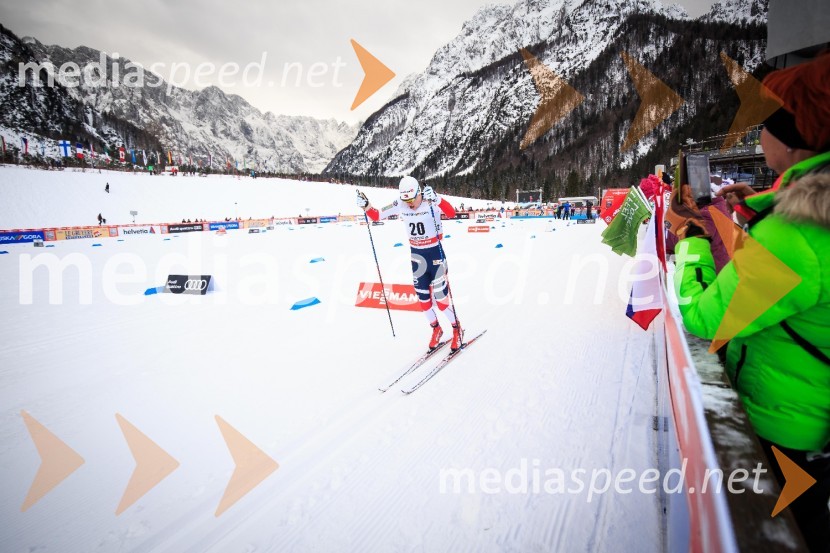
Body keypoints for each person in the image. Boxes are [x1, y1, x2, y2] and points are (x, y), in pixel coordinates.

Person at [670, 52, 830, 553]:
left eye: (767, 124)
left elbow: (704, 317)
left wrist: (692, 242)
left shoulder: (795, 234)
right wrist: (761, 204)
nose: (759, 134)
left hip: (783, 427)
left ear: (792, 137)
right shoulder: (806, 219)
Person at [357, 176, 464, 351]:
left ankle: (456, 328)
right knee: (423, 301)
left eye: (412, 200)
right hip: (417, 258)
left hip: (435, 255)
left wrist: (438, 198)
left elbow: (451, 213)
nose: (409, 204)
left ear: (419, 193)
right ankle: (436, 329)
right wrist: (366, 205)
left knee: (442, 301)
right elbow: (376, 215)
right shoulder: (400, 203)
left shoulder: (430, 201)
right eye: (406, 200)